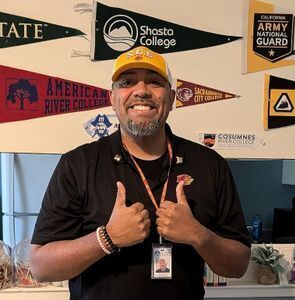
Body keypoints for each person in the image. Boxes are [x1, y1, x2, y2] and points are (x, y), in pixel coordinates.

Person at [30, 46, 251, 300]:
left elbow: (238, 265)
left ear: (171, 98)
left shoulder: (210, 165)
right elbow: (40, 267)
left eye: (155, 82)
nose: (142, 91)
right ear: (112, 99)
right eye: (128, 81)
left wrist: (198, 236)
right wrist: (106, 238)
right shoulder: (78, 164)